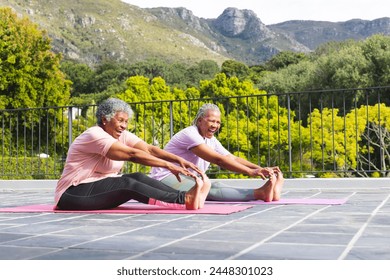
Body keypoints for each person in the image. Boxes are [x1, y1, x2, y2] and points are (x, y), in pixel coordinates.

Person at [55, 98, 210, 211]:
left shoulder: (121, 134)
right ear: (104, 119)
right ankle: (183, 200)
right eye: (120, 120)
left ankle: (187, 195)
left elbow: (149, 149)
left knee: (138, 177)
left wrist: (179, 160)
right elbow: (132, 154)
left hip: (98, 190)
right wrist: (168, 165)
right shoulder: (94, 135)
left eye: (126, 121)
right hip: (72, 194)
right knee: (127, 184)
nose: (124, 126)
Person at [151, 103, 284, 202]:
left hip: (184, 177)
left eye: (218, 122)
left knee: (216, 185)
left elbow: (232, 158)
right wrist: (250, 172)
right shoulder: (190, 134)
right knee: (207, 188)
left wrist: (260, 169)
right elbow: (219, 160)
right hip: (165, 177)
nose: (215, 125)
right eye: (211, 121)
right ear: (200, 121)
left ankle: (266, 192)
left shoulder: (211, 139)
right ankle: (260, 193)